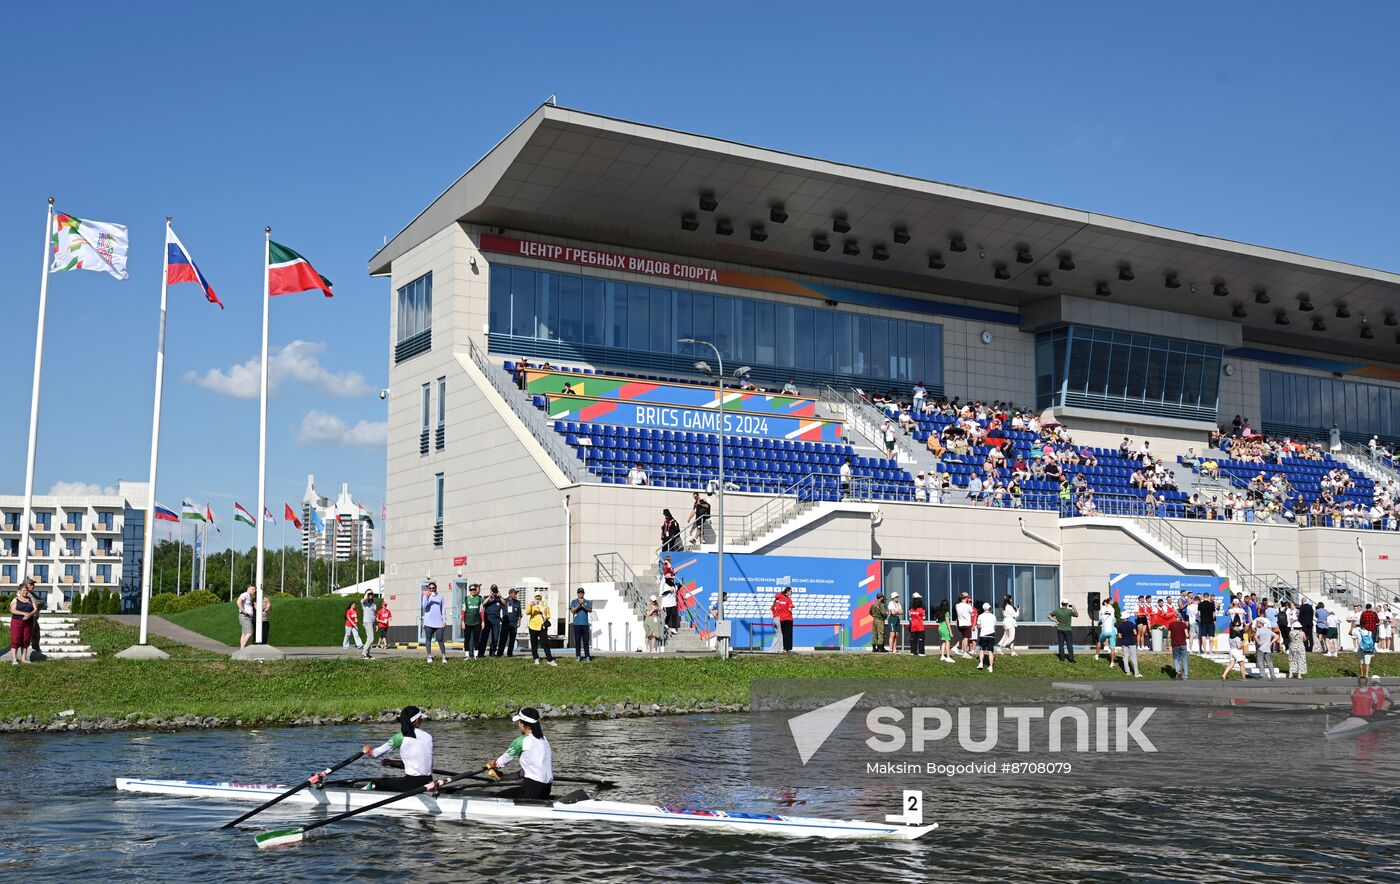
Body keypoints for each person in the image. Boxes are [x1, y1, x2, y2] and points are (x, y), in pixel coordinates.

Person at [486, 708, 554, 800]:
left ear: (524, 725)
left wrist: (491, 764)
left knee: (495, 798)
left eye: (519, 722)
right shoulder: (543, 739)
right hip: (546, 789)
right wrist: (503, 777)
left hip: (531, 790)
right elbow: (524, 772)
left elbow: (500, 763)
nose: (518, 725)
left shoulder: (521, 741)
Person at [362, 707, 434, 791]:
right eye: (421, 719)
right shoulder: (428, 736)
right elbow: (416, 762)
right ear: (417, 720)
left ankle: (359, 794)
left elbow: (374, 754)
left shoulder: (400, 737)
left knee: (374, 783)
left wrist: (368, 749)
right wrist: (392, 762)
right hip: (428, 781)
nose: (421, 721)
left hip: (411, 784)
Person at [8, 580, 37, 665]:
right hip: (17, 622)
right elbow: (12, 610)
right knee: (16, 640)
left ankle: (23, 658)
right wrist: (24, 613)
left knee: (25, 640)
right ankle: (14, 659)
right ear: (20, 591)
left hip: (28, 622)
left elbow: (35, 609)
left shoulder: (31, 599)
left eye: (26, 590)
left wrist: (29, 614)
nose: (25, 592)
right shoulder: (15, 599)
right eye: (23, 590)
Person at [526, 593, 556, 666]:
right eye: (536, 596)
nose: (537, 597)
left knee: (545, 643)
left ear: (541, 597)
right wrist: (531, 605)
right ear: (534, 597)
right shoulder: (532, 604)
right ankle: (536, 658)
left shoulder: (544, 604)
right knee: (534, 643)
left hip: (542, 626)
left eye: (539, 596)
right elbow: (527, 612)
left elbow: (548, 614)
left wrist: (547, 617)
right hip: (533, 626)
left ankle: (550, 659)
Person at [421, 582, 447, 663]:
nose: (432, 589)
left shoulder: (440, 597)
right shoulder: (426, 596)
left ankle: (444, 656)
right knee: (428, 639)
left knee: (440, 639)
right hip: (428, 622)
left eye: (433, 588)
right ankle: (429, 656)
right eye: (430, 588)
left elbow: (443, 609)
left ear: (436, 588)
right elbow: (424, 606)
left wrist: (444, 620)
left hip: (438, 622)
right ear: (428, 589)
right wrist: (427, 597)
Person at [570, 588, 594, 662]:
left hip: (585, 624)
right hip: (576, 624)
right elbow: (572, 610)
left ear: (583, 594)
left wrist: (583, 605)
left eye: (582, 593)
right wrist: (578, 605)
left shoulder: (587, 601)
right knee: (577, 641)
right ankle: (578, 656)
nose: (580, 594)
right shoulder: (574, 601)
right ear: (577, 594)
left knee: (586, 641)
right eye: (579, 592)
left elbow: (590, 610)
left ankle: (587, 656)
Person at [461, 583, 484, 660]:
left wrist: (483, 621)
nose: (473, 591)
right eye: (471, 590)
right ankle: (467, 655)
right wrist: (463, 622)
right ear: (469, 591)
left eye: (474, 589)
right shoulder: (466, 599)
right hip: (467, 622)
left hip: (477, 622)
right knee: (466, 639)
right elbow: (463, 611)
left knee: (476, 639)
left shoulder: (479, 599)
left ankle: (476, 655)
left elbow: (481, 611)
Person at [1253, 615, 1278, 680]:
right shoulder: (1268, 630)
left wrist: (1258, 642)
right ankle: (1273, 675)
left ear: (1261, 624)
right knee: (1269, 662)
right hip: (1267, 648)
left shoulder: (1259, 630)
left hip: (1261, 648)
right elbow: (1276, 636)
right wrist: (1271, 643)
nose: (1256, 624)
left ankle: (1263, 675)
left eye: (1257, 623)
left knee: (1260, 662)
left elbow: (1255, 637)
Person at [1167, 613, 1191, 680]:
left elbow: (1168, 636)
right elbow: (1187, 635)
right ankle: (1185, 675)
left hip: (1175, 644)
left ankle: (1178, 671)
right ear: (1180, 617)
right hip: (1183, 644)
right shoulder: (1183, 624)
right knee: (1184, 659)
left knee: (1176, 659)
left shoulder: (1171, 624)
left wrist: (1168, 645)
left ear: (1175, 617)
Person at [498, 589, 522, 657]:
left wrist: (519, 622)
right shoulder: (504, 601)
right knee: (503, 638)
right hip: (505, 623)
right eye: (515, 593)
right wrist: (500, 618)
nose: (516, 595)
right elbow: (498, 609)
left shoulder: (517, 602)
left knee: (512, 638)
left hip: (514, 623)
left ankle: (510, 653)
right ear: (510, 594)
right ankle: (500, 653)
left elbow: (519, 613)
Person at [660, 557, 680, 634]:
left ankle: (673, 627)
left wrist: (679, 586)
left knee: (674, 613)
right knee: (668, 614)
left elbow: (675, 587)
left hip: (673, 600)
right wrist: (669, 591)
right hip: (666, 600)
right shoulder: (664, 580)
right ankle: (665, 623)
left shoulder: (672, 579)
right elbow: (662, 592)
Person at [483, 585, 505, 657]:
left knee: (495, 638)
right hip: (487, 620)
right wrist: (490, 596)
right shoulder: (487, 597)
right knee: (485, 637)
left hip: (496, 620)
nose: (494, 591)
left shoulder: (499, 598)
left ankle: (493, 653)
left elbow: (505, 603)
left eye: (495, 590)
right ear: (490, 590)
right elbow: (483, 603)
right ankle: (481, 653)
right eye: (493, 590)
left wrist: (500, 596)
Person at [1117, 613, 1141, 678]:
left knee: (1125, 657)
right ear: (1127, 618)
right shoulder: (1131, 624)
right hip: (1132, 642)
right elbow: (1135, 632)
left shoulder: (1120, 625)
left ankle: (1127, 672)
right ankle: (1136, 673)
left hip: (1124, 642)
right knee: (1134, 658)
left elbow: (1119, 636)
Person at [975, 602, 997, 672]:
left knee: (982, 650)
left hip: (983, 635)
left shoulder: (980, 616)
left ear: (983, 608)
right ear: (989, 608)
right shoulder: (993, 616)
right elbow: (994, 625)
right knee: (990, 651)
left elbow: (978, 626)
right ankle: (990, 667)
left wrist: (980, 626)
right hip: (991, 635)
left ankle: (981, 663)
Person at [772, 587, 795, 653]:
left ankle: (783, 649)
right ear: (787, 591)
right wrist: (792, 607)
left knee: (783, 634)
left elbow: (776, 596)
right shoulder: (788, 599)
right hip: (788, 618)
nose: (791, 592)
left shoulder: (780, 597)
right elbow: (789, 609)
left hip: (782, 619)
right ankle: (787, 649)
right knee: (788, 634)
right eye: (791, 591)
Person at [237, 584, 258, 650]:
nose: (254, 591)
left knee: (244, 633)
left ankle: (242, 648)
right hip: (245, 616)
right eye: (253, 589)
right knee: (249, 632)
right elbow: (238, 602)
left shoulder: (249, 596)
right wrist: (243, 611)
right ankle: (242, 649)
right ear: (249, 588)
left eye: (255, 589)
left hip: (248, 617)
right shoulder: (245, 594)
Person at [954, 593, 975, 658]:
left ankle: (963, 651)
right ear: (965, 598)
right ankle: (965, 652)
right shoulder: (968, 606)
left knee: (963, 637)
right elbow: (972, 614)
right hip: (967, 624)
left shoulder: (957, 605)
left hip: (961, 624)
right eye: (967, 598)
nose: (967, 599)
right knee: (966, 638)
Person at [1098, 604, 1118, 668]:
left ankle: (1096, 655)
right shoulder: (1113, 617)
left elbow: (1099, 623)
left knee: (1099, 642)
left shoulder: (1102, 617)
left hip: (1105, 632)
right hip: (1112, 632)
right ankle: (1112, 662)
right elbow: (1115, 623)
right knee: (1112, 648)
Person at [361, 588, 378, 658]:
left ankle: (367, 654)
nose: (370, 595)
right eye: (369, 594)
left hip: (372, 622)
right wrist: (367, 593)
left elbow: (374, 614)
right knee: (371, 639)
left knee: (369, 639)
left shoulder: (373, 604)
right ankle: (364, 653)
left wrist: (376, 624)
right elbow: (362, 600)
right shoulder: (365, 603)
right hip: (367, 622)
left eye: (371, 594)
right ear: (366, 595)